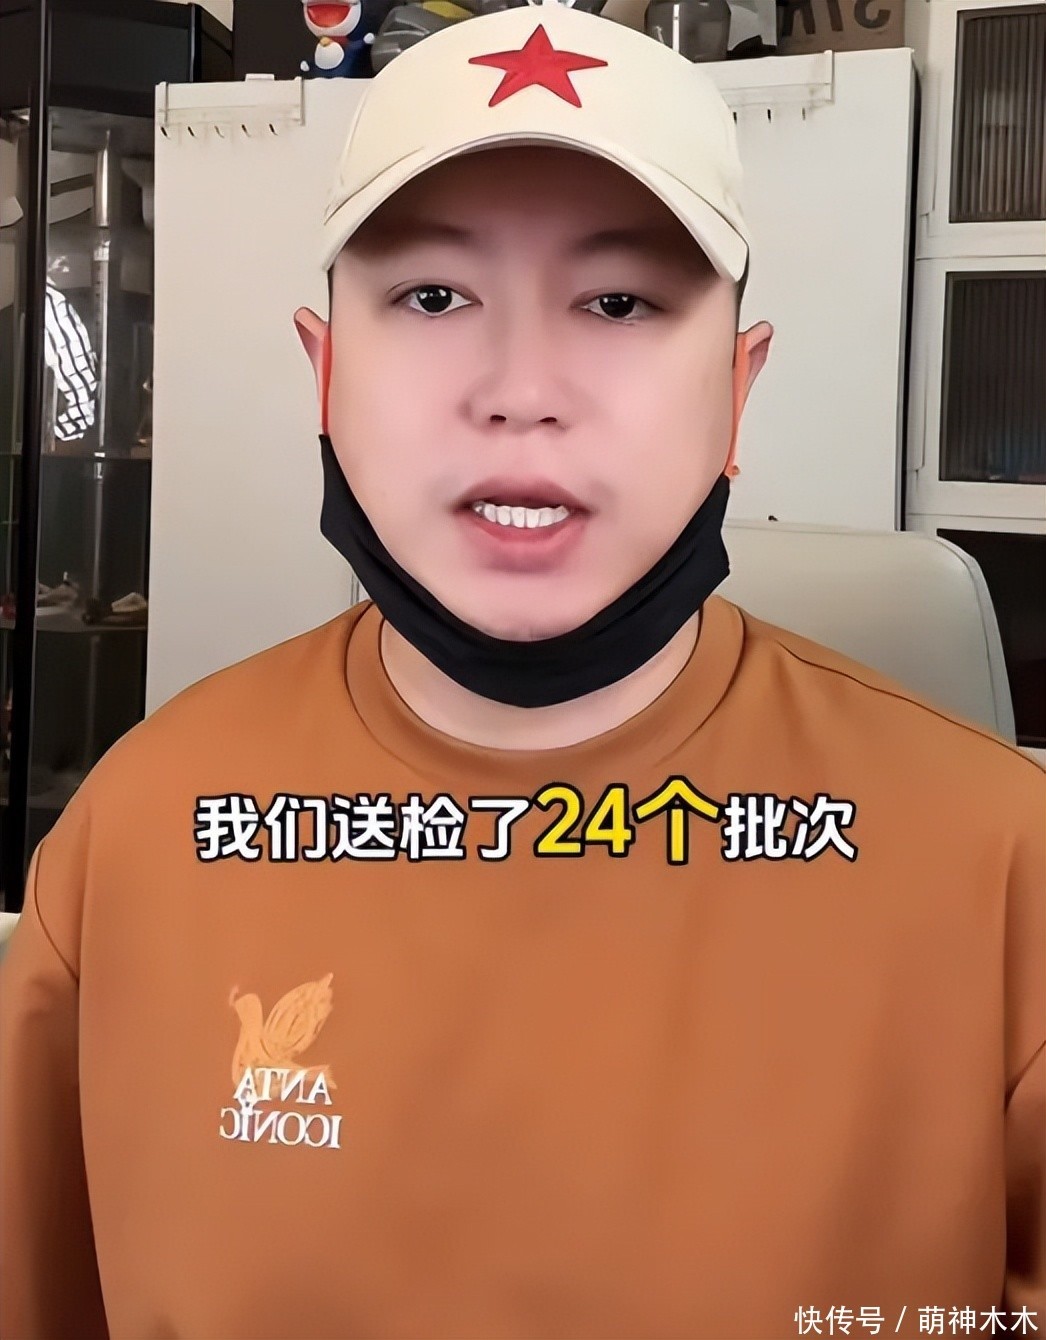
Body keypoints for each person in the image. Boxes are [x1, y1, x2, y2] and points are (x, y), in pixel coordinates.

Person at [1, 7, 1042, 1339]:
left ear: (737, 388)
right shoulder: (138, 837)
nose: (519, 391)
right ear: (326, 374)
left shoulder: (1001, 871)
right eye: (434, 298)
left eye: (617, 303)